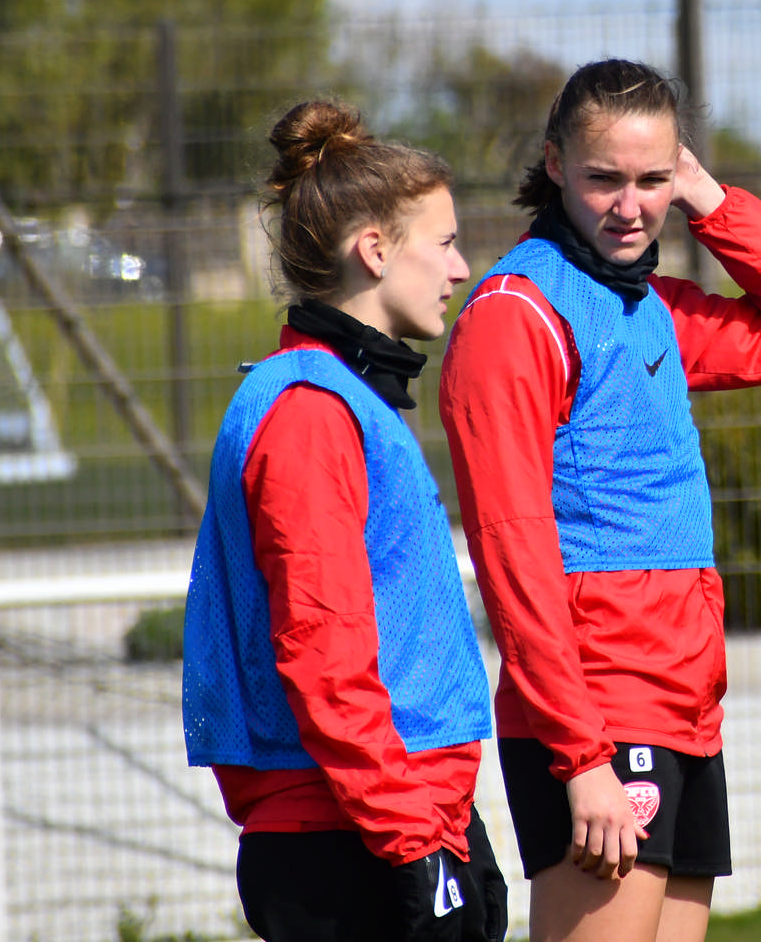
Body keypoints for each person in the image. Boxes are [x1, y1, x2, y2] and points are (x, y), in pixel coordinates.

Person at [439, 59, 761, 942]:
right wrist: (580, 753)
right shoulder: (517, 313)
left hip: (687, 696)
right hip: (597, 706)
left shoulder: (652, 306)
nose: (630, 207)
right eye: (605, 179)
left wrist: (709, 198)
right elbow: (512, 551)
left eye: (652, 179)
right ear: (555, 164)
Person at [182, 101, 505, 942]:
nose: (460, 267)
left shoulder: (349, 398)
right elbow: (323, 654)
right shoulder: (309, 414)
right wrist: (415, 847)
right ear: (375, 250)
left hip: (400, 817)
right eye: (444, 242)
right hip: (348, 839)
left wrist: (452, 830)